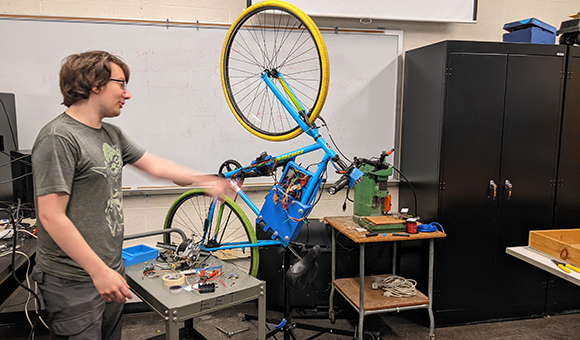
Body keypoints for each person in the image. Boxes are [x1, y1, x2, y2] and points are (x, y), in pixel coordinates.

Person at [30, 50, 229, 340]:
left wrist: (210, 181)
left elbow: (157, 166)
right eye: (121, 83)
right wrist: (99, 272)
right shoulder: (59, 138)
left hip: (109, 270)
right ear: (95, 83)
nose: (127, 93)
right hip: (74, 279)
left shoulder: (110, 134)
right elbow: (51, 215)